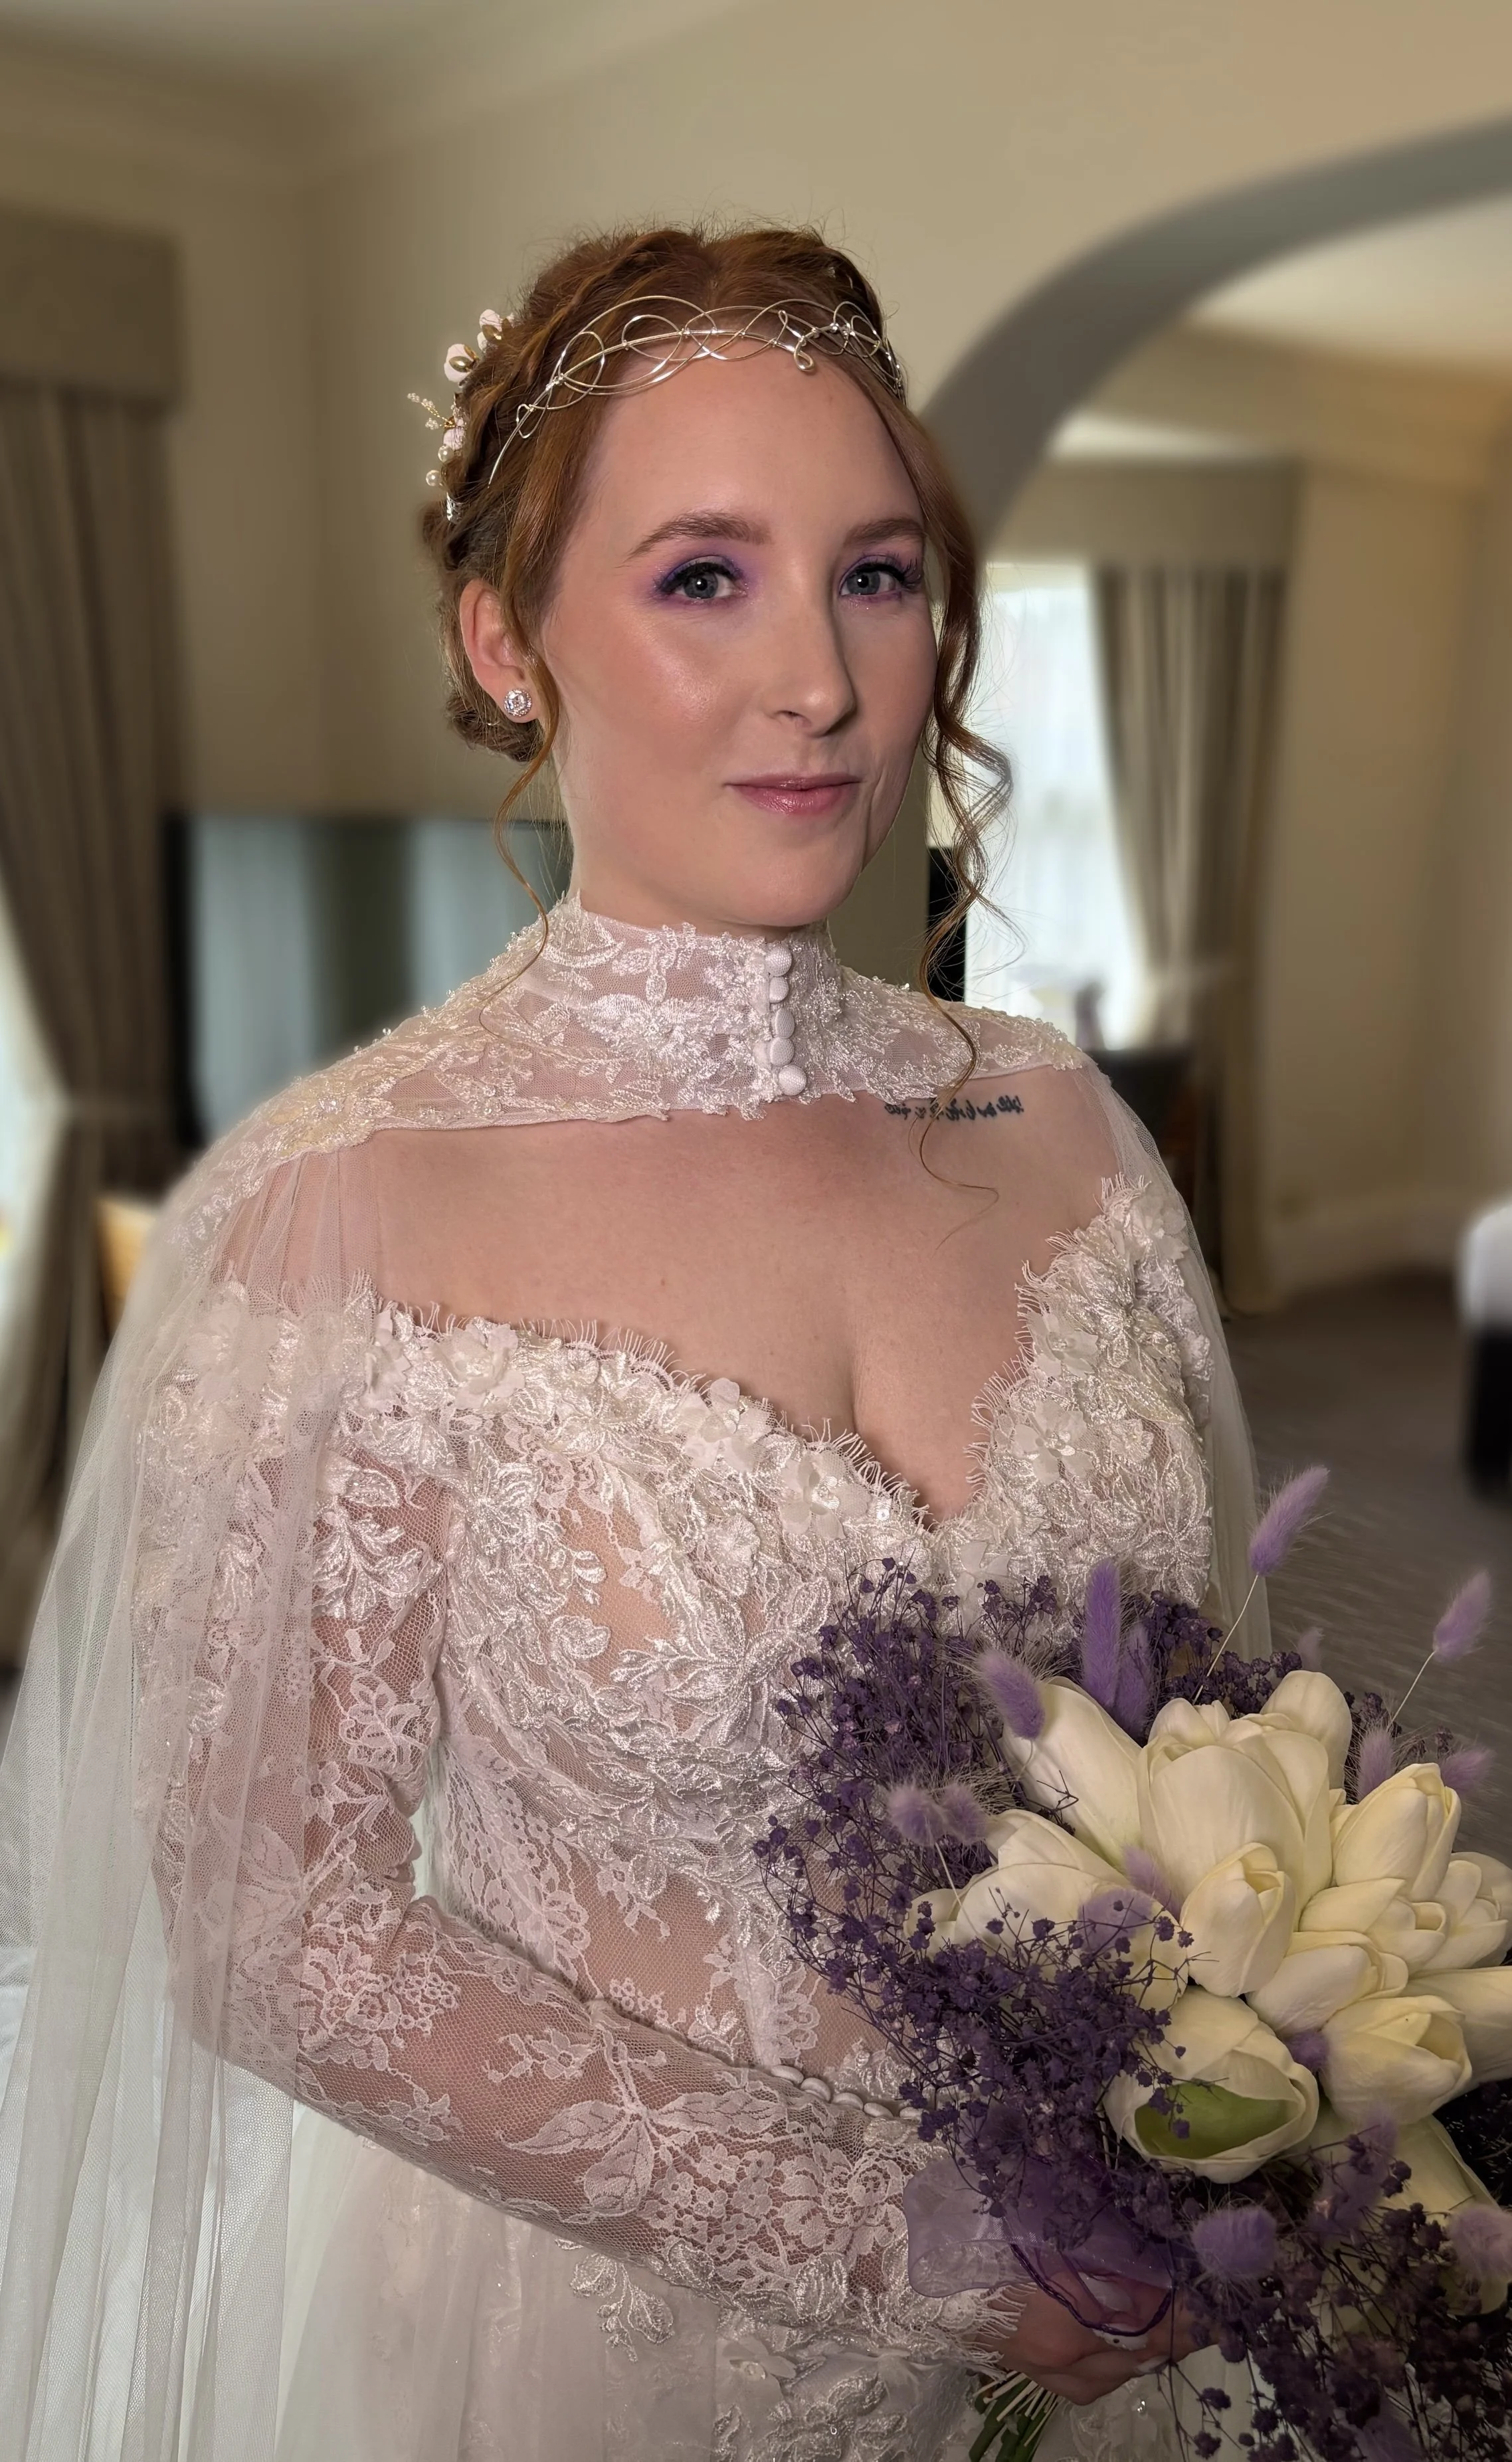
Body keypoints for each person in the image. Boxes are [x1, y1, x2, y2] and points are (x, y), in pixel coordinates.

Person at [0, 224, 1264, 2461]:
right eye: (703, 578)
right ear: (507, 643)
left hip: (1125, 2285)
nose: (819, 682)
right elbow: (275, 1929)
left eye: (874, 577)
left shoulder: (1057, 1118)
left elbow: (1217, 1733)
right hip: (602, 2357)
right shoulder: (344, 1206)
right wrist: (917, 2247)